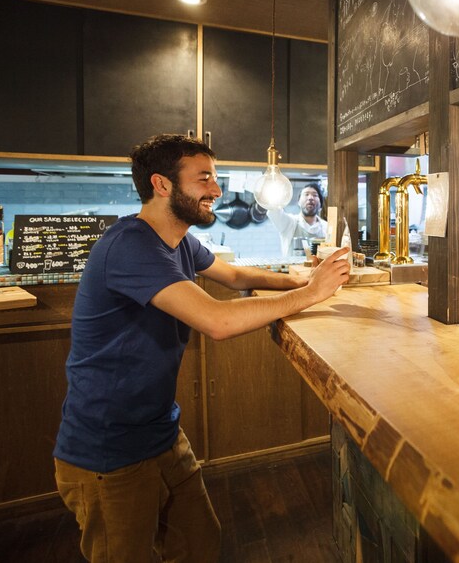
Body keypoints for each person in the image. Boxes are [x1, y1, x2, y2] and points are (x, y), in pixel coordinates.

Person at [53, 134, 349, 562]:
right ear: (162, 185)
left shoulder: (179, 241)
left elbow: (236, 277)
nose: (216, 190)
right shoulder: (131, 246)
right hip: (108, 450)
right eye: (205, 178)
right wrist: (311, 295)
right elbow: (218, 321)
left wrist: (304, 279)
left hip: (159, 433)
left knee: (199, 544)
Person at [268, 182, 329, 257]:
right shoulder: (289, 222)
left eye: (315, 195)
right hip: (292, 268)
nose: (310, 198)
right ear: (299, 202)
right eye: (306, 194)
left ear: (321, 205)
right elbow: (274, 211)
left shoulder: (327, 227)